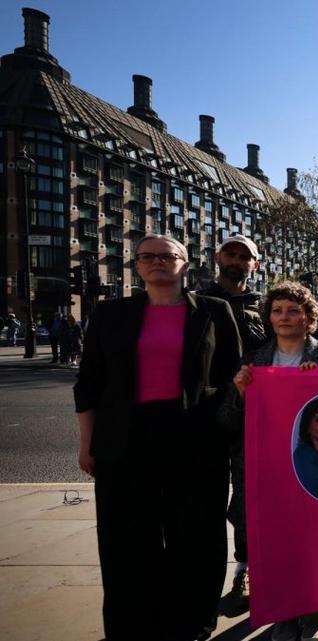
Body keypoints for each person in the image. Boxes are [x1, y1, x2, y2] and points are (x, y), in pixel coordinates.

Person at [74, 234, 241, 641]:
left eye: (168, 256)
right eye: (147, 256)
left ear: (186, 265)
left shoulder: (215, 311)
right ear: (136, 266)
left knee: (196, 535)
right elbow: (89, 382)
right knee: (126, 538)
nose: (157, 262)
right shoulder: (110, 314)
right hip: (126, 439)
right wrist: (86, 442)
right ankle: (133, 624)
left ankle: (191, 622)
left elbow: (234, 377)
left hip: (196, 440)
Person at [222, 282, 318, 641]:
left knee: (314, 543)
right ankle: (284, 613)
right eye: (277, 310)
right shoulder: (253, 360)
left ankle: (315, 613)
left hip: (311, 467)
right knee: (276, 544)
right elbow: (227, 419)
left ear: (309, 317)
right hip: (266, 468)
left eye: (293, 310)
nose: (285, 317)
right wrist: (240, 395)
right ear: (269, 317)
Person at [196, 233, 268, 604]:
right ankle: (200, 578)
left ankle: (245, 569)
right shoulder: (196, 303)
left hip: (249, 420)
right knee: (202, 502)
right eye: (231, 253)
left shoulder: (266, 307)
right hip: (204, 418)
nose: (237, 260)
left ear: (254, 264)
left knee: (245, 501)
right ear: (218, 257)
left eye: (245, 256)